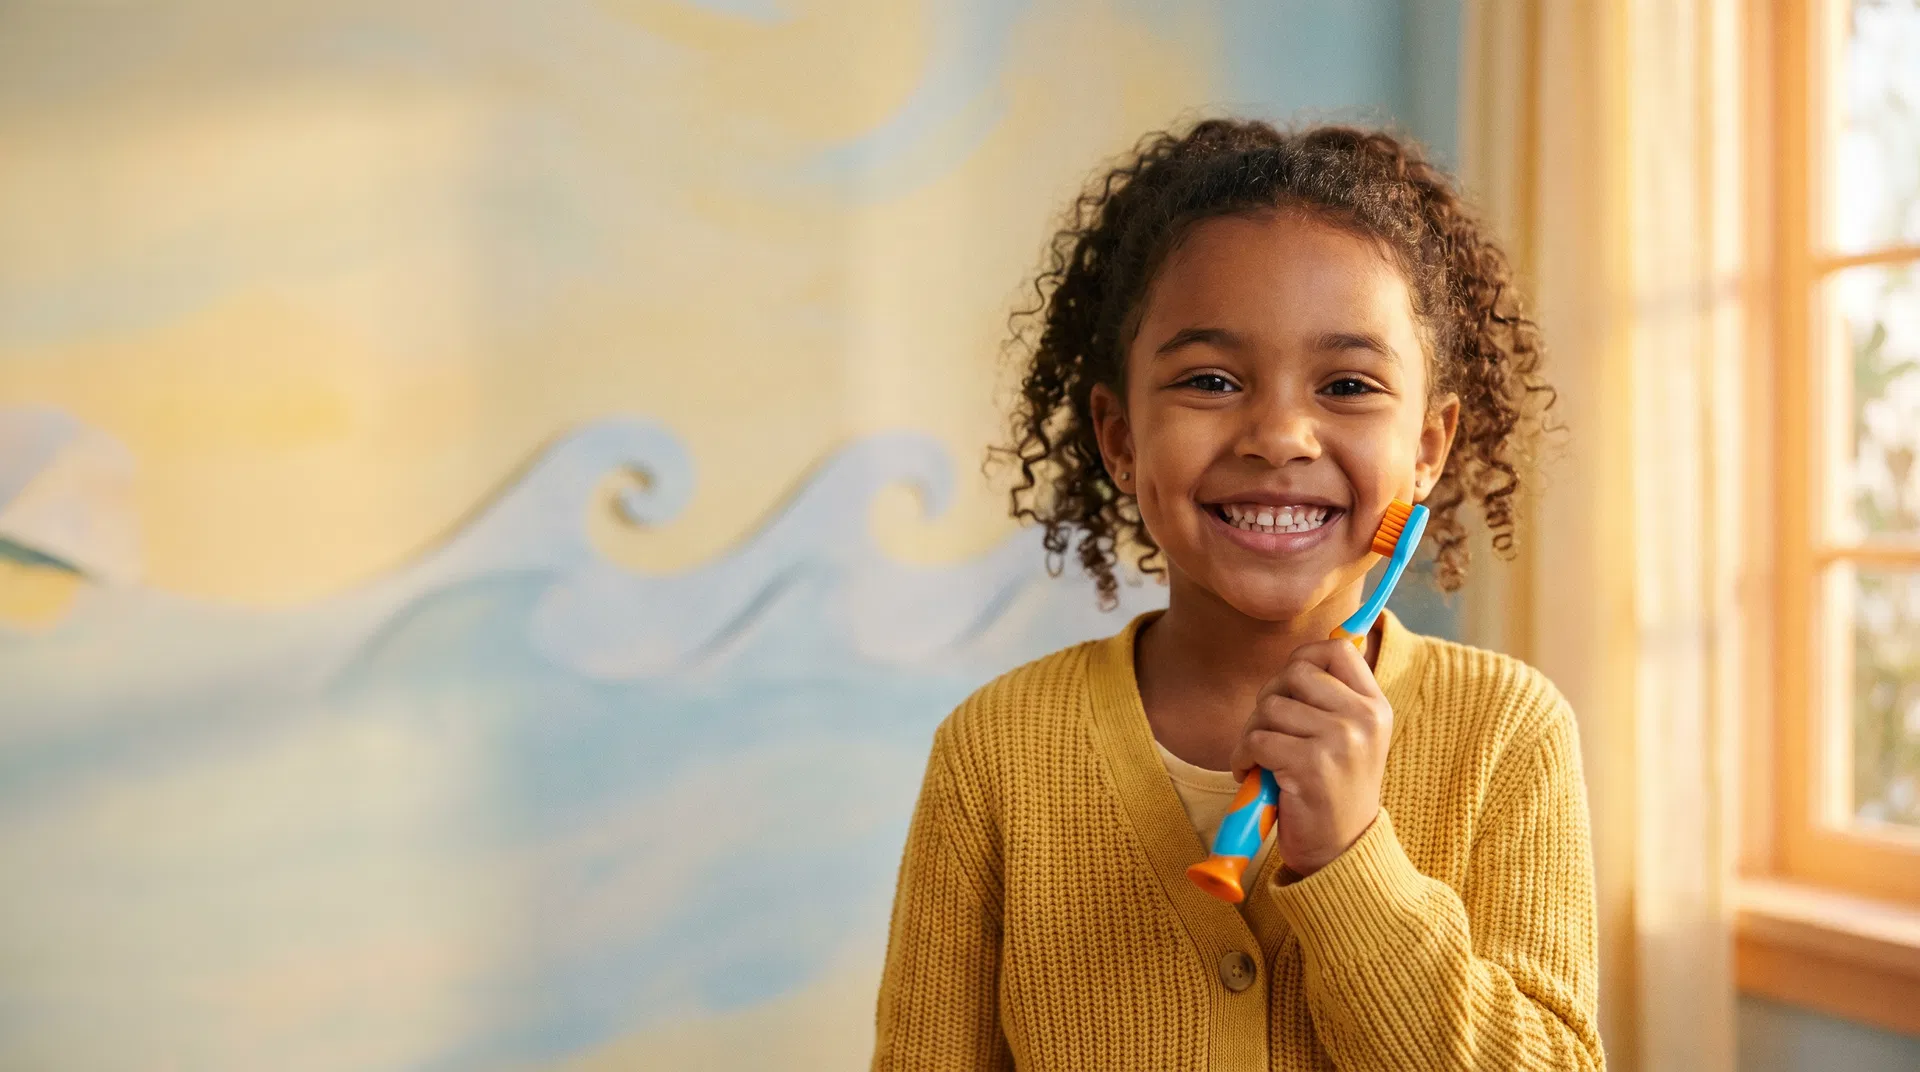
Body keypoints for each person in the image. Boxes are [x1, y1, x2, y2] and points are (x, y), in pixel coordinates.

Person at [871, 119, 1603, 1071]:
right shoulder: (996, 753)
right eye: (1212, 381)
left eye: (1347, 384)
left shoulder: (1508, 733)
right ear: (1121, 437)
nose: (1280, 435)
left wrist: (1350, 860)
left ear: (1428, 447)